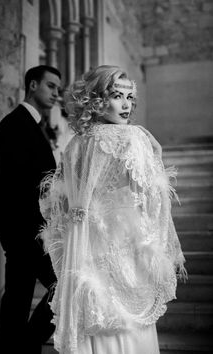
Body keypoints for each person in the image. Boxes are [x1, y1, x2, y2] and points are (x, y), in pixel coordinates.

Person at [39, 65, 187, 354]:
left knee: (94, 317)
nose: (126, 105)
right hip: (124, 249)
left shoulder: (75, 144)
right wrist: (155, 152)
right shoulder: (133, 137)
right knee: (127, 323)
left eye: (129, 97)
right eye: (116, 95)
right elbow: (150, 195)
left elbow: (59, 205)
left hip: (87, 250)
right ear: (96, 99)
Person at [0, 65, 61, 354]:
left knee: (19, 299)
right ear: (32, 85)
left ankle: (18, 346)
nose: (57, 93)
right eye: (51, 86)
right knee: (63, 285)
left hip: (28, 229)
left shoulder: (32, 125)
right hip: (24, 230)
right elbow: (18, 184)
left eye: (58, 88)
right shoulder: (16, 124)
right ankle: (26, 344)